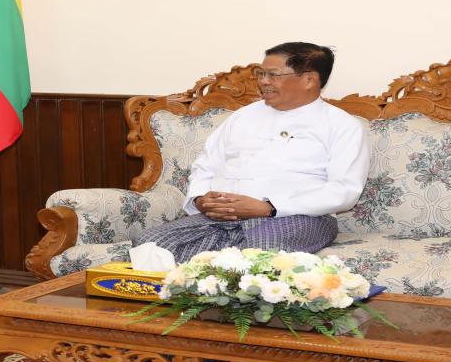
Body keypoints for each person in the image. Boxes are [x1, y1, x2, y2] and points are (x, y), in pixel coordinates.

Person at [133, 42, 371, 263]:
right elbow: (206, 165)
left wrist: (269, 207)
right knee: (149, 245)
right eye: (261, 73)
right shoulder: (243, 116)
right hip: (225, 217)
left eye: (273, 75)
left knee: (259, 252)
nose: (263, 81)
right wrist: (201, 199)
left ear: (309, 80)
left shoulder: (342, 125)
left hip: (301, 217)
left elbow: (344, 190)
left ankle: (223, 269)